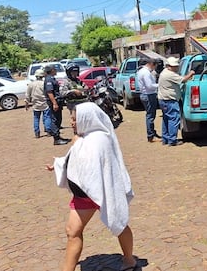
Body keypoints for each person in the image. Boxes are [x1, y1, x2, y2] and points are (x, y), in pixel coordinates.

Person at [46, 102, 138, 271]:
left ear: (86, 118)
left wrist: (76, 144)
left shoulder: (100, 139)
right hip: (83, 195)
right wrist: (59, 164)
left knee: (119, 224)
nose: (72, 123)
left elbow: (95, 167)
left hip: (103, 191)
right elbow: (75, 159)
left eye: (75, 119)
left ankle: (129, 259)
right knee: (72, 231)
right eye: (72, 119)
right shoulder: (82, 138)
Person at [157, 57, 194, 146]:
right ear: (169, 66)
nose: (176, 68)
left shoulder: (164, 72)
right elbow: (183, 80)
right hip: (170, 100)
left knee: (166, 119)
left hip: (163, 99)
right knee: (173, 119)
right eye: (174, 66)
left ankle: (166, 138)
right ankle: (172, 140)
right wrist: (191, 73)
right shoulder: (170, 74)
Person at [44, 65, 71, 146]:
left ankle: (58, 137)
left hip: (57, 101)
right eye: (54, 69)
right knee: (55, 120)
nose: (56, 71)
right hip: (54, 102)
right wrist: (54, 103)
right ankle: (56, 139)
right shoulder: (49, 79)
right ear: (51, 70)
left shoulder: (51, 78)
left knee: (58, 119)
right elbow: (49, 92)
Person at [136, 59, 161, 142]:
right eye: (155, 66)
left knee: (150, 114)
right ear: (151, 64)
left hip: (146, 94)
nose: (155, 68)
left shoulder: (141, 71)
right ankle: (150, 134)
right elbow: (150, 86)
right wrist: (160, 85)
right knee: (150, 115)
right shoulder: (146, 72)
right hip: (148, 95)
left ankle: (151, 132)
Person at [25, 68, 50, 138]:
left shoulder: (31, 84)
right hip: (45, 103)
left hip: (35, 104)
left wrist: (26, 104)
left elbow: (27, 95)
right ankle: (48, 131)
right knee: (47, 117)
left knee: (36, 118)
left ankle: (37, 133)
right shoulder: (44, 84)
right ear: (43, 76)